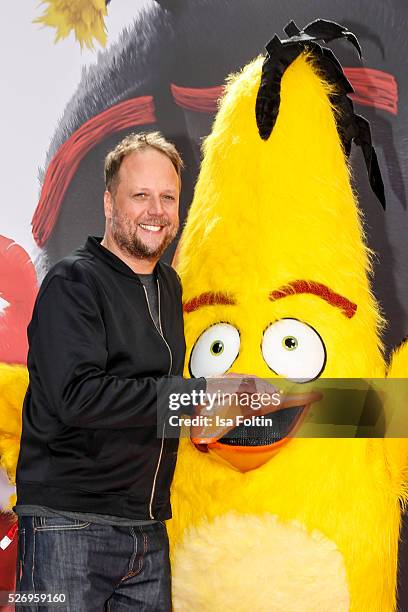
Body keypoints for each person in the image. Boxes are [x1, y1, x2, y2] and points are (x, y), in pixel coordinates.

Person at [13, 132, 210, 611]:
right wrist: (191, 398)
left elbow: (155, 400)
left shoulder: (168, 284)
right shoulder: (72, 282)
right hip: (67, 528)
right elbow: (78, 396)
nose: (156, 210)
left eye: (167, 197)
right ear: (108, 202)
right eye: (140, 195)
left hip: (146, 532)